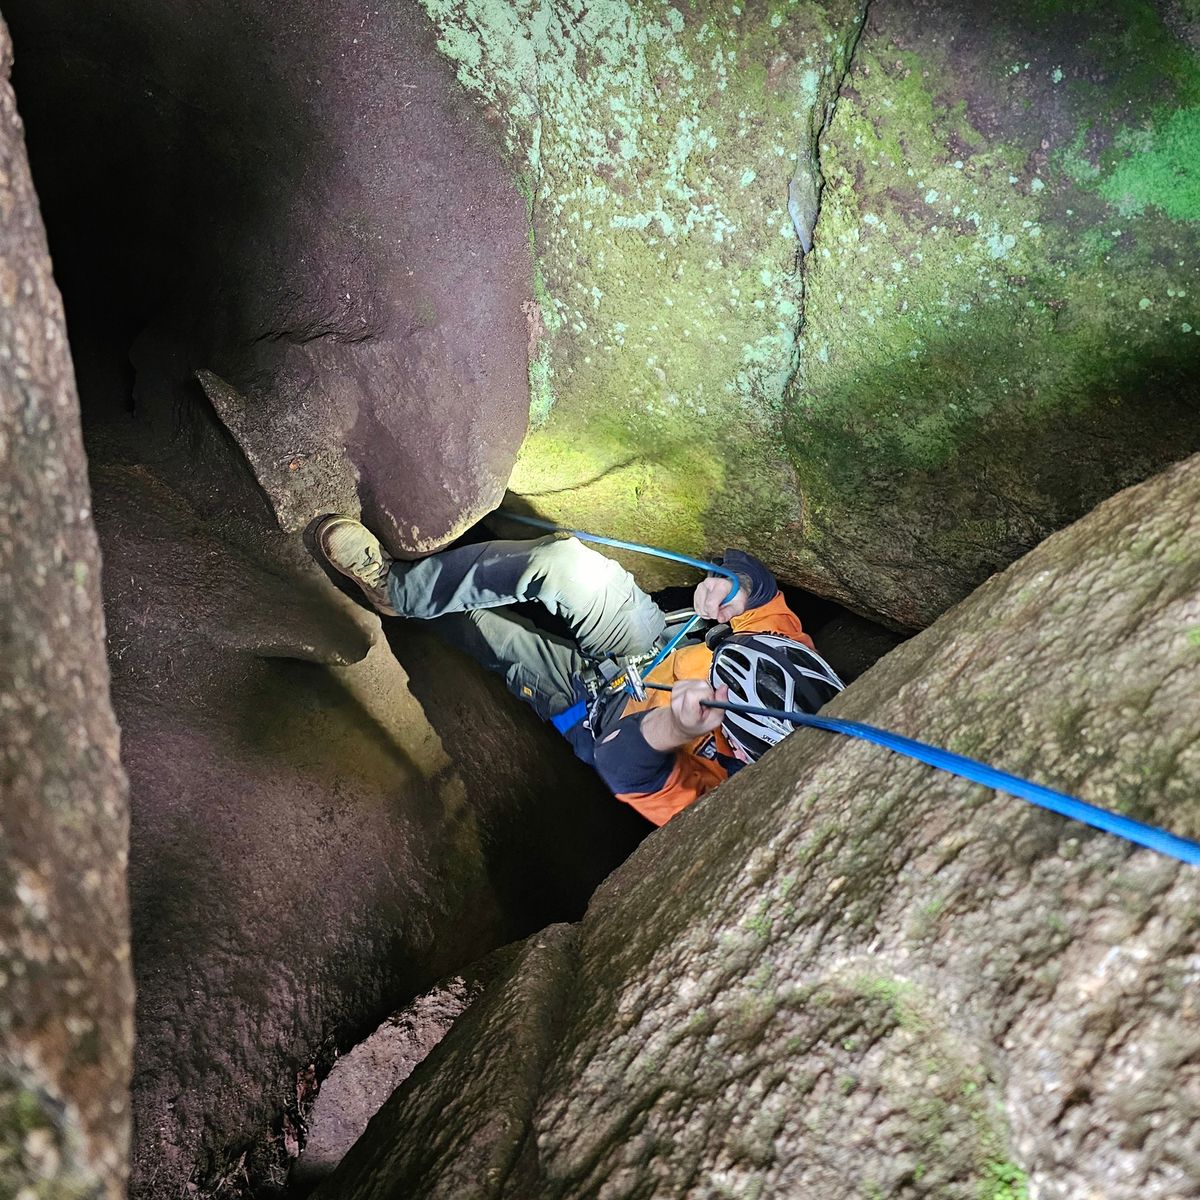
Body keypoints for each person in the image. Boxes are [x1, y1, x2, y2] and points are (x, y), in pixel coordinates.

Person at [314, 515, 843, 826]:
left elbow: (625, 769)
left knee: (480, 625)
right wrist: (736, 590)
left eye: (726, 686)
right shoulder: (796, 665)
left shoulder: (730, 805)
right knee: (563, 564)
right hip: (648, 641)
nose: (716, 677)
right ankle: (399, 590)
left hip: (594, 710)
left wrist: (676, 727)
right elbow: (764, 593)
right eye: (736, 659)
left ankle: (425, 601)